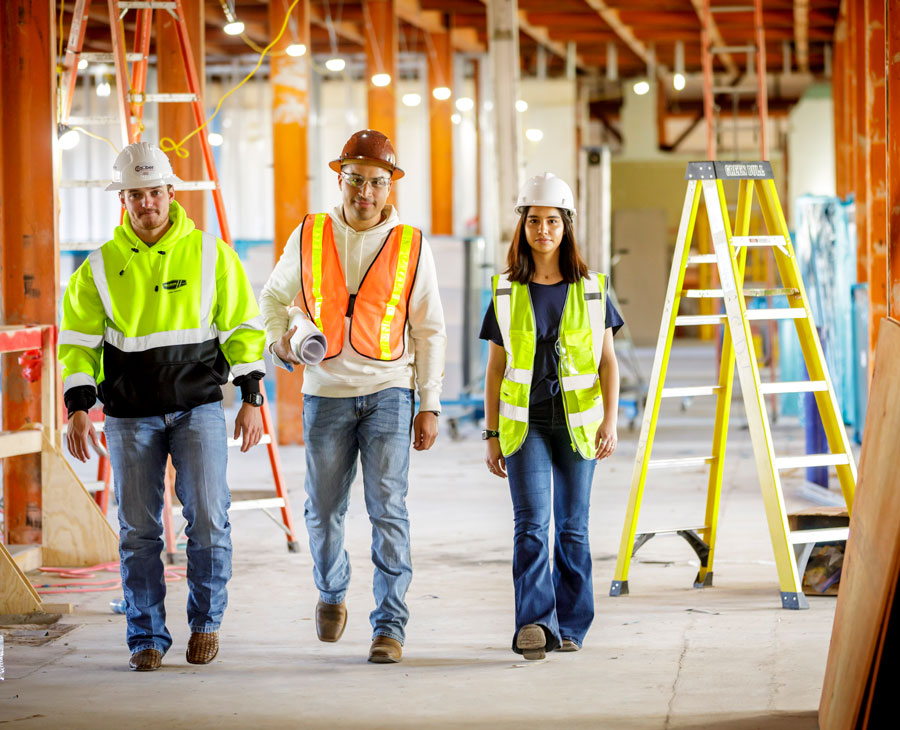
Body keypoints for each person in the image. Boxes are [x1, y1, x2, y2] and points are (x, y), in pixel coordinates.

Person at [59, 142, 266, 672]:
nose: (147, 202)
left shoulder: (212, 255)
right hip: (129, 415)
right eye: (136, 195)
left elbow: (242, 328)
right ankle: (145, 636)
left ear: (171, 193)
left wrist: (250, 397)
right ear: (122, 201)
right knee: (137, 530)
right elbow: (78, 342)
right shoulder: (99, 267)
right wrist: (78, 405)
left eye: (155, 192)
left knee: (210, 522)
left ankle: (205, 625)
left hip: (197, 408)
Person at [259, 129, 446, 664]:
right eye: (355, 179)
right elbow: (273, 296)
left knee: (388, 509)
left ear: (391, 188)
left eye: (377, 182)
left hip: (389, 389)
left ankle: (389, 626)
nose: (365, 191)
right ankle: (332, 589)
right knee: (322, 510)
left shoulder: (412, 245)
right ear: (340, 180)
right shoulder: (311, 233)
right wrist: (280, 340)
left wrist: (428, 403)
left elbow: (429, 328)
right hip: (326, 393)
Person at [480, 172, 623, 660]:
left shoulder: (593, 288)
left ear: (567, 227)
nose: (544, 229)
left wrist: (611, 421)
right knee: (531, 525)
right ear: (522, 227)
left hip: (579, 424)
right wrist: (490, 433)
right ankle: (535, 624)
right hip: (525, 425)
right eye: (535, 220)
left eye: (553, 221)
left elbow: (608, 363)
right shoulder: (504, 289)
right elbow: (496, 368)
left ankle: (573, 624)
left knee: (572, 528)